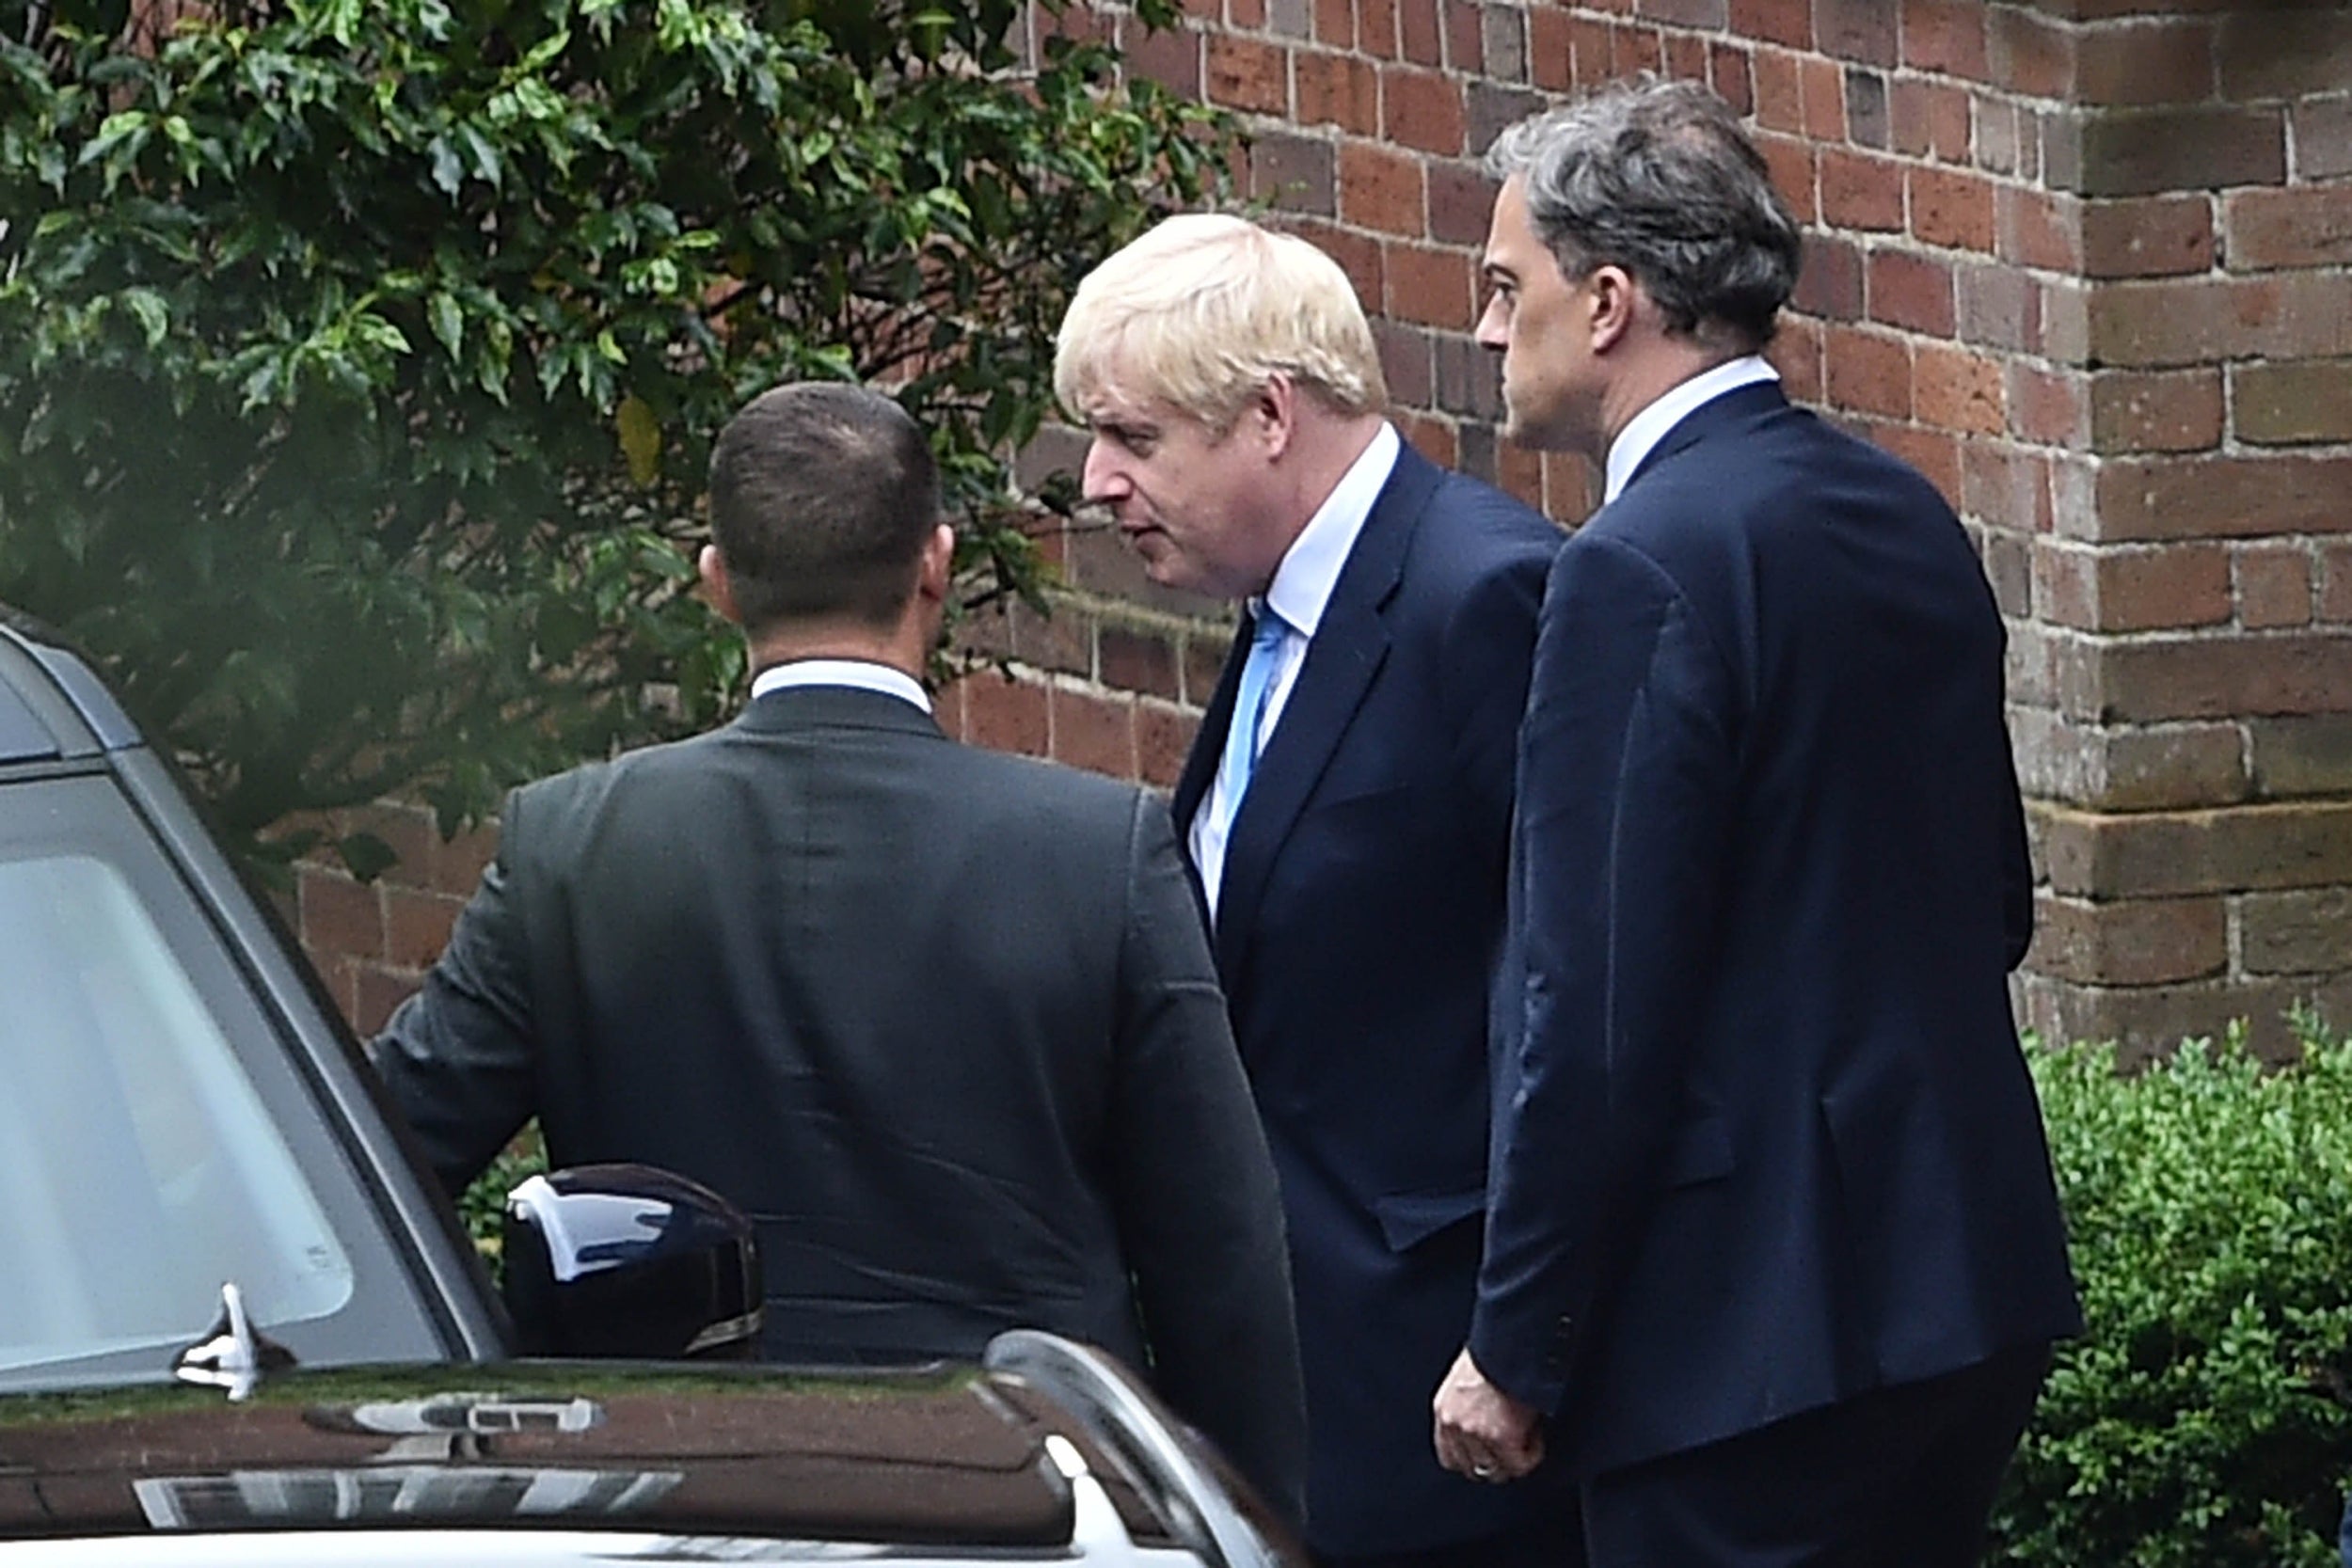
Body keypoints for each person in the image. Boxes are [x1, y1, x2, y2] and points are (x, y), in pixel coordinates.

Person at [370, 380, 1307, 1522]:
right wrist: (1248, 1515)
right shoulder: (1094, 850)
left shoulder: (574, 843)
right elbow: (1223, 1261)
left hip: (681, 1501)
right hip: (1018, 1505)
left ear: (716, 581)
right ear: (937, 564)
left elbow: (379, 1166)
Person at [1428, 77, 2083, 1568]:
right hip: (1956, 1283)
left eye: (1501, 285)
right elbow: (1991, 900)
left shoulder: (1632, 565)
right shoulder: (1902, 509)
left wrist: (1519, 1342)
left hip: (1743, 1341)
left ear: (1608, 302)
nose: (1480, 328)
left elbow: (1587, 1009)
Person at [1055, 215, 1570, 1566]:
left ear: (1271, 414)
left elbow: (1571, 997)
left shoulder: (1487, 597)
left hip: (1440, 1403)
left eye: (1133, 437)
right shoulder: (1282, 612)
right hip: (1293, 1395)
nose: (1097, 481)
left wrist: (1517, 1340)